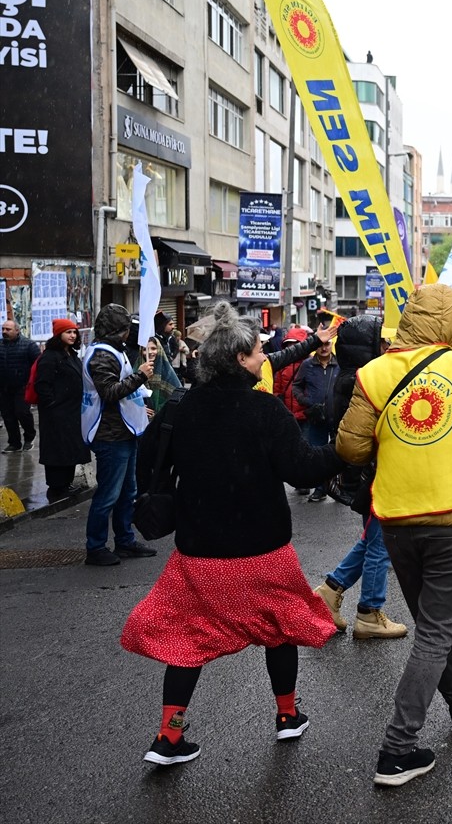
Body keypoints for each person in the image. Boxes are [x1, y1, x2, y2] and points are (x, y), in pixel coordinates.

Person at [121, 302, 345, 767]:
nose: (266, 355)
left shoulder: (181, 408)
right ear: (241, 358)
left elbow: (148, 462)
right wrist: (344, 450)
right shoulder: (264, 410)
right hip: (262, 549)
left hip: (199, 552)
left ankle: (169, 735)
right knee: (280, 629)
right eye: (260, 350)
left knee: (187, 638)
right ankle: (287, 717)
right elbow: (303, 471)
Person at [336, 284, 452, 788]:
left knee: (429, 619)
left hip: (396, 515)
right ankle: (397, 750)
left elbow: (350, 449)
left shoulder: (375, 373)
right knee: (435, 629)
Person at [312, 315, 408, 640]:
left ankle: (330, 590)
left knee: (372, 539)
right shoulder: (361, 381)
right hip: (373, 476)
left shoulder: (348, 377)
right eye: (378, 341)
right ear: (365, 345)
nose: (384, 346)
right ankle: (369, 612)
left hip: (366, 475)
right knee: (381, 543)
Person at [80, 304, 158, 566]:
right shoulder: (101, 355)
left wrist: (139, 405)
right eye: (125, 329)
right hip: (109, 435)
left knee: (128, 492)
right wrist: (140, 376)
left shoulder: (115, 351)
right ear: (117, 330)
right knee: (108, 495)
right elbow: (110, 392)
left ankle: (124, 541)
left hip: (125, 431)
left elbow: (122, 393)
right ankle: (96, 547)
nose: (128, 334)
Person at [34, 319, 90, 500]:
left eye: (75, 332)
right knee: (57, 450)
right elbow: (42, 385)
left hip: (72, 412)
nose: (73, 335)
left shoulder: (71, 354)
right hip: (56, 414)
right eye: (68, 332)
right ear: (59, 334)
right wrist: (52, 405)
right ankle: (57, 487)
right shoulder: (50, 356)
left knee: (69, 449)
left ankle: (65, 484)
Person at [293, 334, 340, 502]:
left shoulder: (339, 363)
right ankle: (320, 489)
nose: (324, 348)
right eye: (320, 344)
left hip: (337, 417)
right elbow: (296, 386)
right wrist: (306, 402)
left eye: (327, 344)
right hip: (316, 417)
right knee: (317, 454)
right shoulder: (307, 365)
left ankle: (338, 488)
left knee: (338, 453)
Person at [0, 319, 39, 452]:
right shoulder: (0, 345)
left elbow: (38, 365)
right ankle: (14, 443)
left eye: (8, 329)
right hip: (4, 388)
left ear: (17, 330)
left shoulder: (29, 345)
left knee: (22, 412)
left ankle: (29, 437)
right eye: (3, 329)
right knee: (8, 416)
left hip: (23, 387)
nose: (4, 332)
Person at [140, 336, 182, 415]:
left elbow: (178, 396)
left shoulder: (167, 371)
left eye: (153, 348)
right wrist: (139, 408)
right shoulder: (135, 370)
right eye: (145, 349)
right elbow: (129, 397)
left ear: (159, 350)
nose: (149, 352)